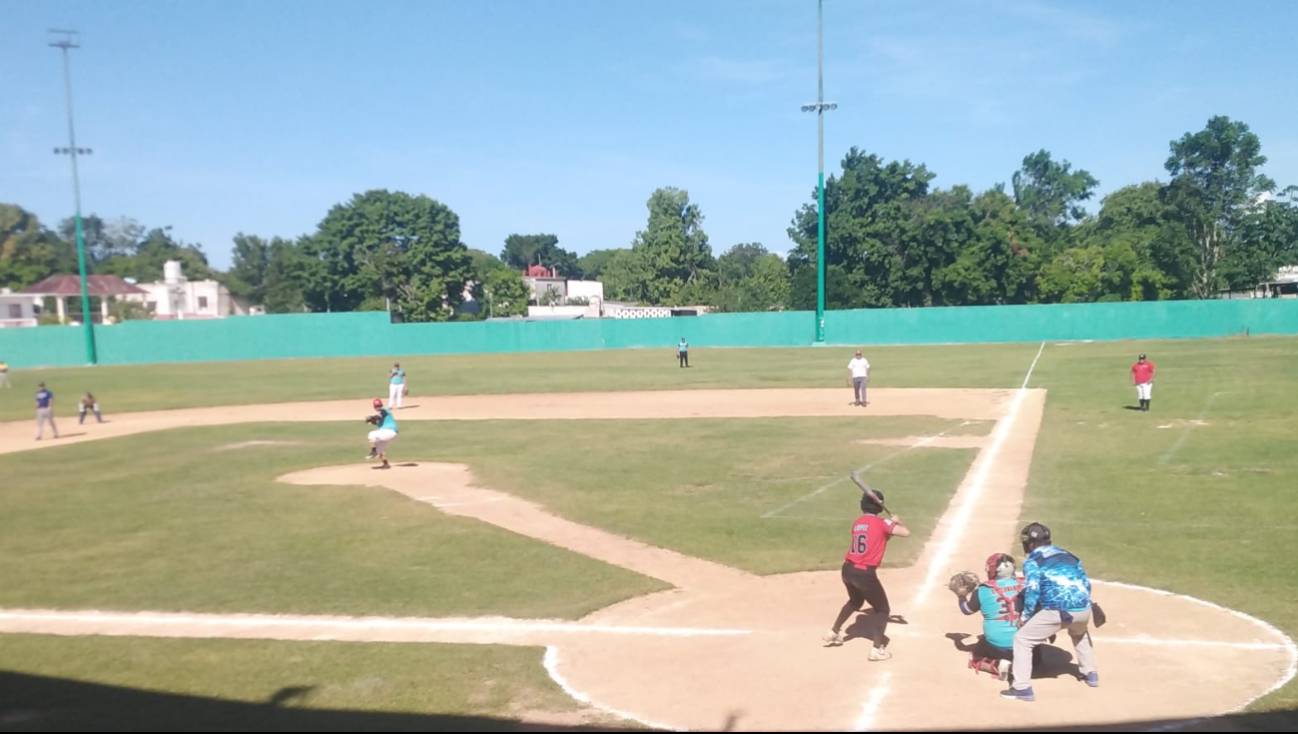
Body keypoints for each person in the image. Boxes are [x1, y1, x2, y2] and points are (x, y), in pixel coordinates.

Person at [1001, 522, 1099, 702]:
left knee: (1022, 639)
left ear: (1030, 544)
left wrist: (1026, 616)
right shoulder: (1069, 555)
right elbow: (1085, 584)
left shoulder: (1033, 561)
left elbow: (1032, 590)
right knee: (1079, 633)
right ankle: (1090, 673)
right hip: (1085, 609)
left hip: (1058, 611)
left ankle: (1021, 688)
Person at [823, 489, 910, 661]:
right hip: (864, 573)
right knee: (882, 609)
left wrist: (890, 527)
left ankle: (833, 632)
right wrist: (898, 522)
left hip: (847, 569)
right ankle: (877, 650)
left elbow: (878, 538)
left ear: (863, 506)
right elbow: (906, 533)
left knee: (855, 601)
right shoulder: (882, 523)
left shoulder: (857, 523)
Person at [956, 553, 1025, 681]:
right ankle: (1031, 663)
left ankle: (999, 665)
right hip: (1026, 643)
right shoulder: (1025, 584)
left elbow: (966, 610)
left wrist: (961, 595)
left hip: (999, 646)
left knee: (975, 656)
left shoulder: (983, 590)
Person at [365, 397, 399, 469]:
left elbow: (379, 415)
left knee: (371, 434)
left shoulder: (384, 410)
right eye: (376, 406)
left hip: (390, 431)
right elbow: (377, 420)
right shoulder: (381, 415)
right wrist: (371, 421)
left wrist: (371, 417)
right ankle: (385, 464)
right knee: (379, 448)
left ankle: (373, 452)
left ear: (381, 405)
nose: (378, 407)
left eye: (379, 406)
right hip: (389, 434)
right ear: (374, 407)